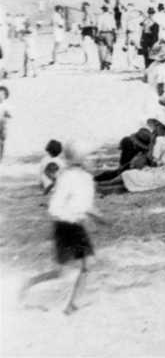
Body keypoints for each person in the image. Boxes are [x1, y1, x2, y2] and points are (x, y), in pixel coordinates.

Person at [19, 143, 110, 315]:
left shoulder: (77, 177)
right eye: (90, 158)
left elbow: (77, 204)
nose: (94, 162)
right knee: (69, 270)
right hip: (69, 225)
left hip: (70, 225)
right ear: (80, 159)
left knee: (79, 267)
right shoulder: (77, 177)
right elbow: (70, 205)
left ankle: (71, 305)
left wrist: (95, 216)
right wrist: (97, 217)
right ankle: (32, 286)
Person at [0, 85, 9, 161]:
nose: (0, 97)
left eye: (2, 95)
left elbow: (9, 114)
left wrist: (8, 115)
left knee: (2, 141)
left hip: (3, 125)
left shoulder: (6, 106)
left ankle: (1, 156)